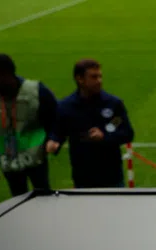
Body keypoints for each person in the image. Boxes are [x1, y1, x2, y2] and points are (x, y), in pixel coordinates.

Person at [46, 59, 135, 188]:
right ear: (79, 79)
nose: (99, 81)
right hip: (83, 178)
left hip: (111, 177)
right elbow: (59, 132)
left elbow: (127, 133)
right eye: (94, 77)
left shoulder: (113, 104)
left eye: (100, 76)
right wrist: (53, 142)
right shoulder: (66, 107)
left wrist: (104, 137)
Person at [0, 53, 58, 196]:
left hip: (35, 156)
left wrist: (53, 139)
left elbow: (56, 118)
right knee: (17, 199)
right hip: (8, 158)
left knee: (43, 197)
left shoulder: (36, 91)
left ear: (7, 73)